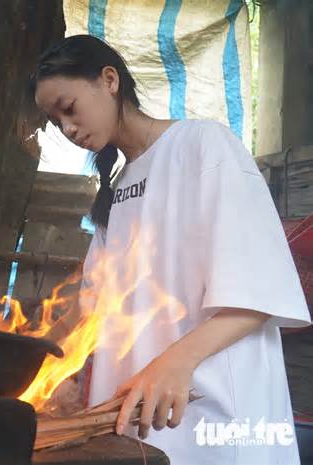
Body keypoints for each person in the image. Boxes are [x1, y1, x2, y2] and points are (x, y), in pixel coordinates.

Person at [29, 35, 312, 465]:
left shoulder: (203, 146)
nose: (68, 129)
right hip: (137, 421)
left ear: (109, 80)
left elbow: (260, 293)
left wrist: (173, 363)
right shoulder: (117, 190)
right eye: (56, 121)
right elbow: (95, 311)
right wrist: (68, 376)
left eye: (68, 108)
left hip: (215, 417)